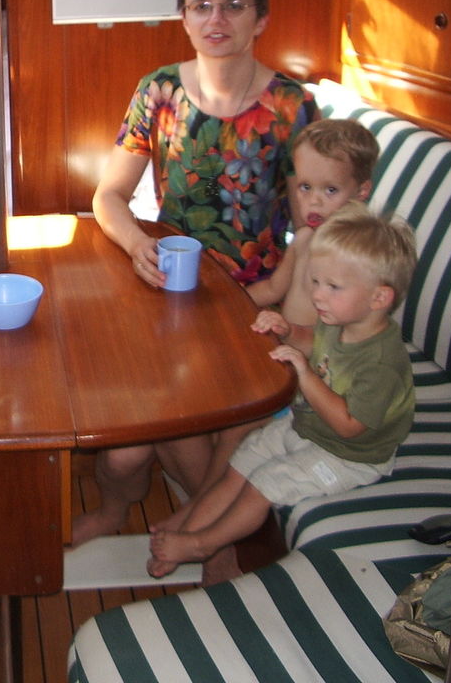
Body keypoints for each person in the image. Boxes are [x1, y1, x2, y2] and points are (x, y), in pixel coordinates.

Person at [73, 0, 319, 547]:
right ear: (183, 16)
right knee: (136, 447)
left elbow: (314, 222)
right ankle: (148, 516)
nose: (216, 20)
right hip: (176, 291)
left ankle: (202, 537)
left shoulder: (293, 107)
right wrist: (137, 245)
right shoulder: (159, 92)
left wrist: (283, 300)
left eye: (233, 5)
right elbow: (108, 196)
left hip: (257, 299)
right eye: (201, 6)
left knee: (172, 429)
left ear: (261, 18)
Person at [148, 201, 417, 582]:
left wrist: (304, 373)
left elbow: (348, 425)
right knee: (240, 463)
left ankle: (203, 545)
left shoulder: (381, 363)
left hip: (349, 456)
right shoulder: (342, 319)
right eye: (316, 282)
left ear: (379, 299)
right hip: (306, 427)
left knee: (265, 483)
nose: (318, 296)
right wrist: (288, 330)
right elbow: (314, 339)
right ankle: (186, 533)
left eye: (332, 287)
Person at [247, 118, 379, 323]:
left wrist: (291, 333)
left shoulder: (357, 255)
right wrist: (228, 302)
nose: (314, 201)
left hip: (317, 344)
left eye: (331, 190)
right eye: (305, 187)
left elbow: (345, 330)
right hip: (286, 336)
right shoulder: (303, 238)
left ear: (361, 191)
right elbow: (272, 289)